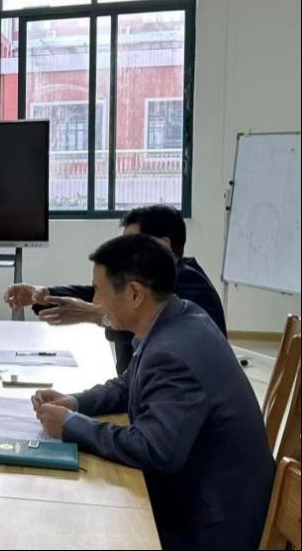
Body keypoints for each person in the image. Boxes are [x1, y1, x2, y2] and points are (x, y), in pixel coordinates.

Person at [32, 235, 273, 550]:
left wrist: (71, 425)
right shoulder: (180, 317)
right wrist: (75, 402)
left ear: (134, 294)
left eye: (100, 292)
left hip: (209, 529)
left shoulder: (172, 353)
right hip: (207, 499)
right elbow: (128, 384)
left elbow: (153, 450)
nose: (96, 303)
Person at [5, 204, 226, 374]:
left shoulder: (190, 285)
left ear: (164, 246)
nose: (123, 254)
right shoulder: (151, 281)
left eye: (132, 245)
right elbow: (103, 295)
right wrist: (44, 293)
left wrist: (98, 314)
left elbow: (155, 329)